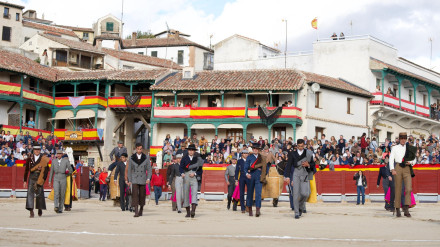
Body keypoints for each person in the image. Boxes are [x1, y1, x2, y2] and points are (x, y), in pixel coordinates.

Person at [284, 139, 315, 219]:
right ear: (297, 146)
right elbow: (289, 165)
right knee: (295, 193)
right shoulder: (292, 154)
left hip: (305, 173)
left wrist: (308, 164)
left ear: (304, 145)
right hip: (296, 173)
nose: (300, 148)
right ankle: (296, 212)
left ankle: (301, 206)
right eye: (299, 146)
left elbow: (313, 165)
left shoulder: (308, 153)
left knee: (305, 194)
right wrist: (287, 176)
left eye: (302, 146)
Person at [389, 132, 416, 217]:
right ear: (399, 139)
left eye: (404, 138)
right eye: (402, 138)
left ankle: (406, 208)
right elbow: (391, 159)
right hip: (398, 167)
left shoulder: (409, 148)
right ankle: (397, 208)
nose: (403, 140)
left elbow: (414, 159)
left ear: (406, 139)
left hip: (407, 167)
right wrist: (392, 169)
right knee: (398, 189)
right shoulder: (394, 148)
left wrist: (410, 162)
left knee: (408, 188)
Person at [23, 145, 50, 218]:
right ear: (33, 150)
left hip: (39, 177)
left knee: (40, 194)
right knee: (30, 193)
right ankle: (31, 211)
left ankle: (40, 208)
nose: (37, 151)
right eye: (35, 150)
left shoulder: (43, 158)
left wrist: (43, 178)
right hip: (32, 177)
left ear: (40, 150)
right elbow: (26, 170)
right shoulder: (29, 159)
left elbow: (47, 169)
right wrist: (25, 180)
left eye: (38, 150)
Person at [126, 143, 152, 217]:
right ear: (136, 149)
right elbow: (129, 170)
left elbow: (149, 169)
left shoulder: (146, 157)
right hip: (135, 178)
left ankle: (141, 209)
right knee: (135, 195)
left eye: (140, 149)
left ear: (142, 149)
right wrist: (129, 180)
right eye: (138, 149)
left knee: (142, 195)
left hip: (143, 178)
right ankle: (136, 211)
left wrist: (148, 178)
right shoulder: (131, 158)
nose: (139, 150)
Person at [179, 144, 203, 218]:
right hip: (186, 177)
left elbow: (200, 170)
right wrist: (182, 173)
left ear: (194, 151)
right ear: (188, 151)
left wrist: (195, 173)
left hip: (194, 177)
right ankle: (188, 212)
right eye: (190, 150)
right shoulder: (184, 158)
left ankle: (193, 211)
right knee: (186, 194)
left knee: (194, 193)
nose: (191, 151)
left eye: (192, 150)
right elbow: (180, 167)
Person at [244, 143, 266, 217]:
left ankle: (258, 210)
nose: (255, 150)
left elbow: (266, 167)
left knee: (258, 194)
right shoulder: (249, 157)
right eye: (254, 149)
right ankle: (250, 209)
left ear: (258, 150)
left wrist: (263, 175)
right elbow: (245, 167)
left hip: (259, 176)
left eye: (257, 149)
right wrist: (247, 174)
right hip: (251, 176)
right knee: (250, 193)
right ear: (253, 149)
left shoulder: (262, 157)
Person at [235, 149, 250, 213]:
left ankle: (247, 206)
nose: (246, 154)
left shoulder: (250, 160)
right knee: (241, 193)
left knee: (249, 192)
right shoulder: (239, 161)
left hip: (249, 177)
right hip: (242, 177)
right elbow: (237, 171)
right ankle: (242, 208)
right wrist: (236, 180)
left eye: (247, 153)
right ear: (242, 154)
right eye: (244, 153)